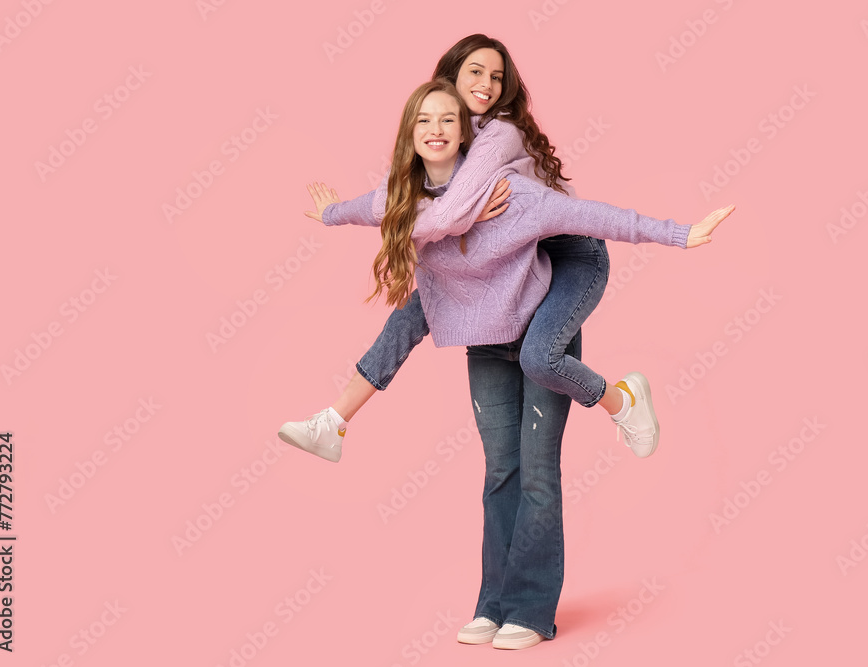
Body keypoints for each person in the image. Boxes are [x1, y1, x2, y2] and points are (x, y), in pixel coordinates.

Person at [299, 78, 733, 649]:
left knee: (536, 473)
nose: (434, 130)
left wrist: (680, 234)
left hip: (538, 327)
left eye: (447, 121)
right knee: (499, 471)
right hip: (487, 336)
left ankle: (530, 609)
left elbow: (600, 218)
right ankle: (493, 603)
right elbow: (362, 209)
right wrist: (328, 211)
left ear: (466, 137)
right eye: (423, 121)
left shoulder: (509, 193)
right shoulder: (407, 201)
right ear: (410, 134)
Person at [280, 34, 689, 465]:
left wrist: (678, 233)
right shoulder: (440, 141)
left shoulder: (498, 134)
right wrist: (332, 213)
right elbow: (379, 203)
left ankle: (622, 401)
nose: (487, 84)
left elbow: (448, 217)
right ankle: (334, 422)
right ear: (449, 78)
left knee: (539, 359)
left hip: (568, 248)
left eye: (496, 76)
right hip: (506, 256)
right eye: (476, 72)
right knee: (412, 314)